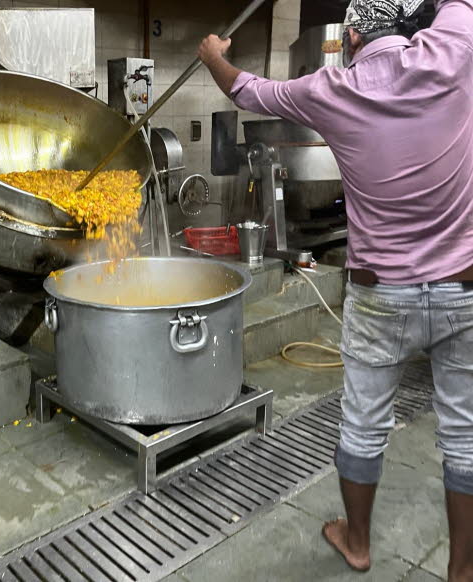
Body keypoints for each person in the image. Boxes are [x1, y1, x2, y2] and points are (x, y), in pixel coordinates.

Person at [199, 0, 473, 579]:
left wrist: (213, 57)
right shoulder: (453, 49)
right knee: (466, 436)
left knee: (364, 423)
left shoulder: (332, 88)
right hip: (462, 288)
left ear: (350, 36)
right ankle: (463, 569)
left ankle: (357, 542)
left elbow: (247, 91)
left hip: (380, 294)